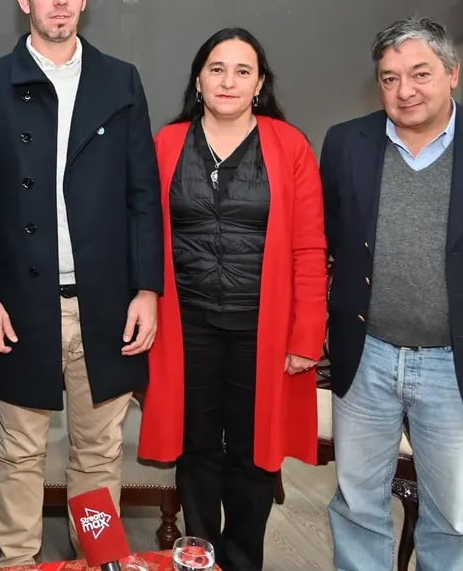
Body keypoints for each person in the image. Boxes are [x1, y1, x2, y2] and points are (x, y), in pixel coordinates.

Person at [321, 16, 463, 571]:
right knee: (357, 503)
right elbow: (333, 239)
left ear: (452, 73)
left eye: (420, 73)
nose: (405, 90)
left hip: (457, 361)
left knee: (449, 515)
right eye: (389, 77)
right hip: (367, 354)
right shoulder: (345, 143)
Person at [0, 0, 163, 567]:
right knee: (19, 449)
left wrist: (147, 289)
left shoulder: (119, 81)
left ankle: (99, 557)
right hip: (20, 302)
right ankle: (16, 561)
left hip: (103, 303)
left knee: (99, 453)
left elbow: (141, 196)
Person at [138, 28, 327, 571]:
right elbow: (146, 235)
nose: (228, 80)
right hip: (186, 324)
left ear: (260, 84)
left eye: (242, 71)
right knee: (196, 448)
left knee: (253, 455)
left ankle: (243, 560)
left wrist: (306, 334)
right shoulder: (168, 143)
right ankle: (199, 557)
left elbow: (311, 247)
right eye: (216, 69)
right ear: (198, 80)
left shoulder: (289, 145)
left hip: (261, 329)